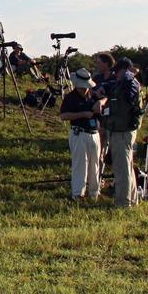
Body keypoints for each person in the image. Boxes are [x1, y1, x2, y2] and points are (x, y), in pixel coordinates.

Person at [98, 57, 142, 208]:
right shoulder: (123, 83)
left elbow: (128, 97)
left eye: (117, 72)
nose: (115, 75)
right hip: (121, 130)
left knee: (122, 169)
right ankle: (132, 200)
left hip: (123, 131)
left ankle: (123, 203)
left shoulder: (129, 82)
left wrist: (126, 76)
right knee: (126, 167)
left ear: (124, 70)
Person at [59, 67, 105, 201]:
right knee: (80, 164)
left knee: (95, 164)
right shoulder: (70, 97)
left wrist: (100, 102)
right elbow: (64, 116)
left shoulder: (93, 94)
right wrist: (82, 114)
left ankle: (94, 192)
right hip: (79, 133)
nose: (83, 89)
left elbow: (106, 98)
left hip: (94, 133)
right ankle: (78, 193)